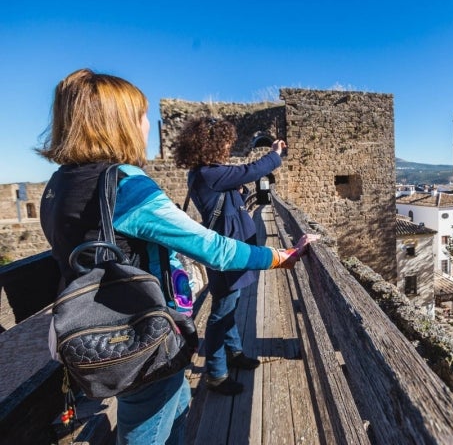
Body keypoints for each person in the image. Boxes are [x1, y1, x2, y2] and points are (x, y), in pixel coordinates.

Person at [37, 69, 317, 445]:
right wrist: (280, 256)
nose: (145, 126)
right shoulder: (126, 186)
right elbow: (213, 248)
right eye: (140, 116)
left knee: (178, 408)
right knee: (147, 430)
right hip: (140, 332)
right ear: (117, 123)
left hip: (97, 327)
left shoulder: (59, 184)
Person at [173, 118, 284, 395]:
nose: (227, 146)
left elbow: (233, 193)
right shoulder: (208, 174)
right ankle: (216, 374)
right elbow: (250, 170)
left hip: (231, 249)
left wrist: (239, 191)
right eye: (223, 142)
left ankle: (233, 353)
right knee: (221, 313)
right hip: (226, 252)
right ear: (210, 145)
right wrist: (274, 154)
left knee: (229, 305)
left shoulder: (208, 174)